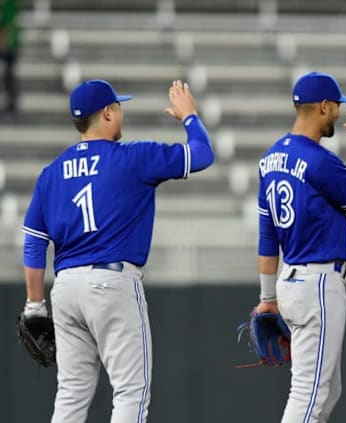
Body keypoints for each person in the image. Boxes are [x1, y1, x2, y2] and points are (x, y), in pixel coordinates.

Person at [20, 79, 214, 422]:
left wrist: (35, 306)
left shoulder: (51, 173)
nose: (121, 111)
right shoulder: (133, 157)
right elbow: (202, 155)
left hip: (65, 288)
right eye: (118, 106)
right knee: (130, 391)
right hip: (111, 283)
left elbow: (35, 242)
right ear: (107, 113)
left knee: (70, 396)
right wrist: (189, 117)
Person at [253, 71, 346, 423]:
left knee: (326, 391)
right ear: (323, 106)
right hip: (318, 284)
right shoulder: (320, 161)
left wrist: (267, 297)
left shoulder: (269, 160)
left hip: (290, 281)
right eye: (337, 106)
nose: (339, 114)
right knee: (309, 394)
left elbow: (267, 236)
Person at [0, 0, 19, 115]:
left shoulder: (10, 4)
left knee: (9, 74)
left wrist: (4, 43)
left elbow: (8, 24)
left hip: (8, 45)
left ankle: (11, 103)